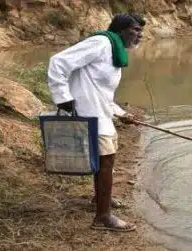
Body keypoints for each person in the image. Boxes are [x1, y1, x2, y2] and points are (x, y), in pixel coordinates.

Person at [46, 13, 145, 233]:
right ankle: (102, 217)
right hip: (89, 115)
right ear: (120, 30)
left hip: (101, 113)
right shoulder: (100, 43)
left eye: (141, 31)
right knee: (106, 162)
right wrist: (63, 99)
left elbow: (102, 93)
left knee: (103, 162)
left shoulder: (115, 51)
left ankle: (99, 200)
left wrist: (121, 113)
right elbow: (58, 62)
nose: (140, 35)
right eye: (136, 29)